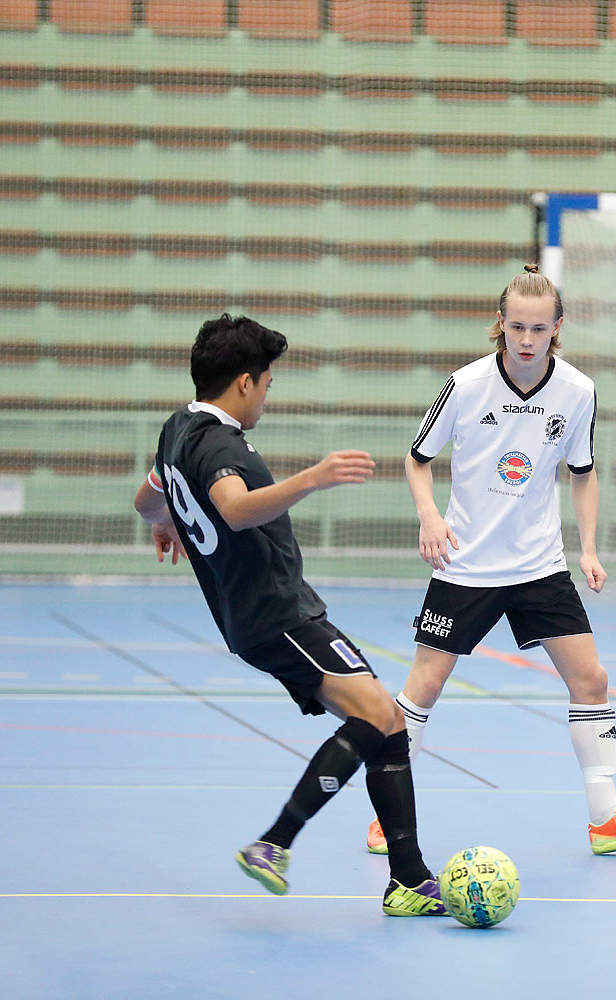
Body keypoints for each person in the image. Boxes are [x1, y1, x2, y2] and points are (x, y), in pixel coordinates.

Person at [133, 313, 446, 916]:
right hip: (278, 613)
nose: (268, 397)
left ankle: (407, 877)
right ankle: (274, 844)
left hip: (258, 617)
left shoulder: (178, 429)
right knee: (381, 716)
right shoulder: (219, 442)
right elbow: (235, 509)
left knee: (386, 726)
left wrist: (168, 520)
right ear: (245, 382)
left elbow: (146, 499)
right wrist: (314, 477)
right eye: (269, 383)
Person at [366, 265, 616, 858]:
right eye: (517, 327)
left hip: (539, 563)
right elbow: (416, 458)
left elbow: (582, 474)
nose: (528, 339)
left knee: (592, 681)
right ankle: (388, 815)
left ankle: (606, 817)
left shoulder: (578, 392)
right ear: (500, 326)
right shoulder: (465, 386)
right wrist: (430, 518)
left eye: (540, 328)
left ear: (558, 327)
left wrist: (587, 548)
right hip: (466, 565)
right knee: (424, 686)